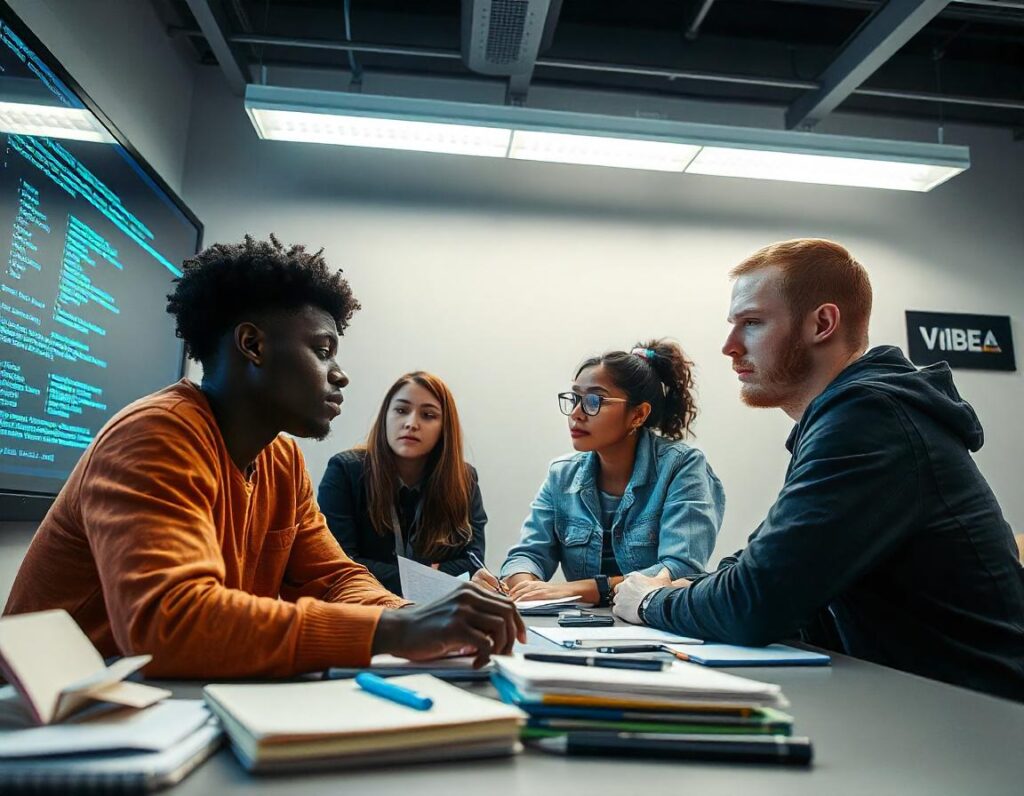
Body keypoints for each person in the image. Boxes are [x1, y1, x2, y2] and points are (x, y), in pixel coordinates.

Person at [3, 236, 523, 677]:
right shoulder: (155, 434)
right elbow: (169, 623)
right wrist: (398, 628)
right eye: (323, 351)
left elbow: (335, 577)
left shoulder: (281, 458)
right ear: (252, 345)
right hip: (64, 715)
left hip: (167, 703)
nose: (339, 374)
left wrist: (420, 618)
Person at [614, 239, 1024, 702]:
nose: (729, 347)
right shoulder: (855, 414)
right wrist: (695, 588)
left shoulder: (870, 418)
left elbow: (756, 601)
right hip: (919, 704)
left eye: (752, 323)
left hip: (982, 721)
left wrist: (650, 602)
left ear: (822, 323)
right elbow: (765, 563)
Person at [474, 339, 725, 608]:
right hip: (582, 627)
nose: (576, 414)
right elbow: (529, 554)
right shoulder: (562, 475)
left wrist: (574, 590)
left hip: (654, 625)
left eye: (594, 400)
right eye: (575, 399)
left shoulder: (682, 466)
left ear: (638, 415)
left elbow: (679, 569)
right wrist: (523, 584)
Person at [318, 372, 486, 596]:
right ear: (385, 416)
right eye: (401, 410)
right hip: (363, 606)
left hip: (435, 612)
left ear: (444, 428)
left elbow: (473, 561)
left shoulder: (464, 478)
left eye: (427, 415)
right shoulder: (345, 470)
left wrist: (394, 573)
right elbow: (340, 561)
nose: (411, 423)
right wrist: (428, 574)